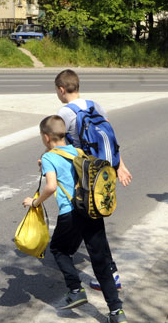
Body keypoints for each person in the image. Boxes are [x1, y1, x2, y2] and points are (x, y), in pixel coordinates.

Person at [22, 115, 128, 323]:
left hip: (71, 213)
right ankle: (116, 312)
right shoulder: (79, 152)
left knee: (59, 250)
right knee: (100, 262)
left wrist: (35, 202)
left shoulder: (51, 157)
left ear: (45, 137)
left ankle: (75, 290)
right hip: (91, 211)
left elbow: (51, 186)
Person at [54, 68, 131, 291]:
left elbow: (58, 145)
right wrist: (120, 166)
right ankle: (77, 255)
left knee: (92, 224)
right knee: (90, 221)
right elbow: (111, 139)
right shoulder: (95, 105)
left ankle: (110, 273)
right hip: (103, 172)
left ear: (61, 89)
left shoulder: (65, 112)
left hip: (84, 176)